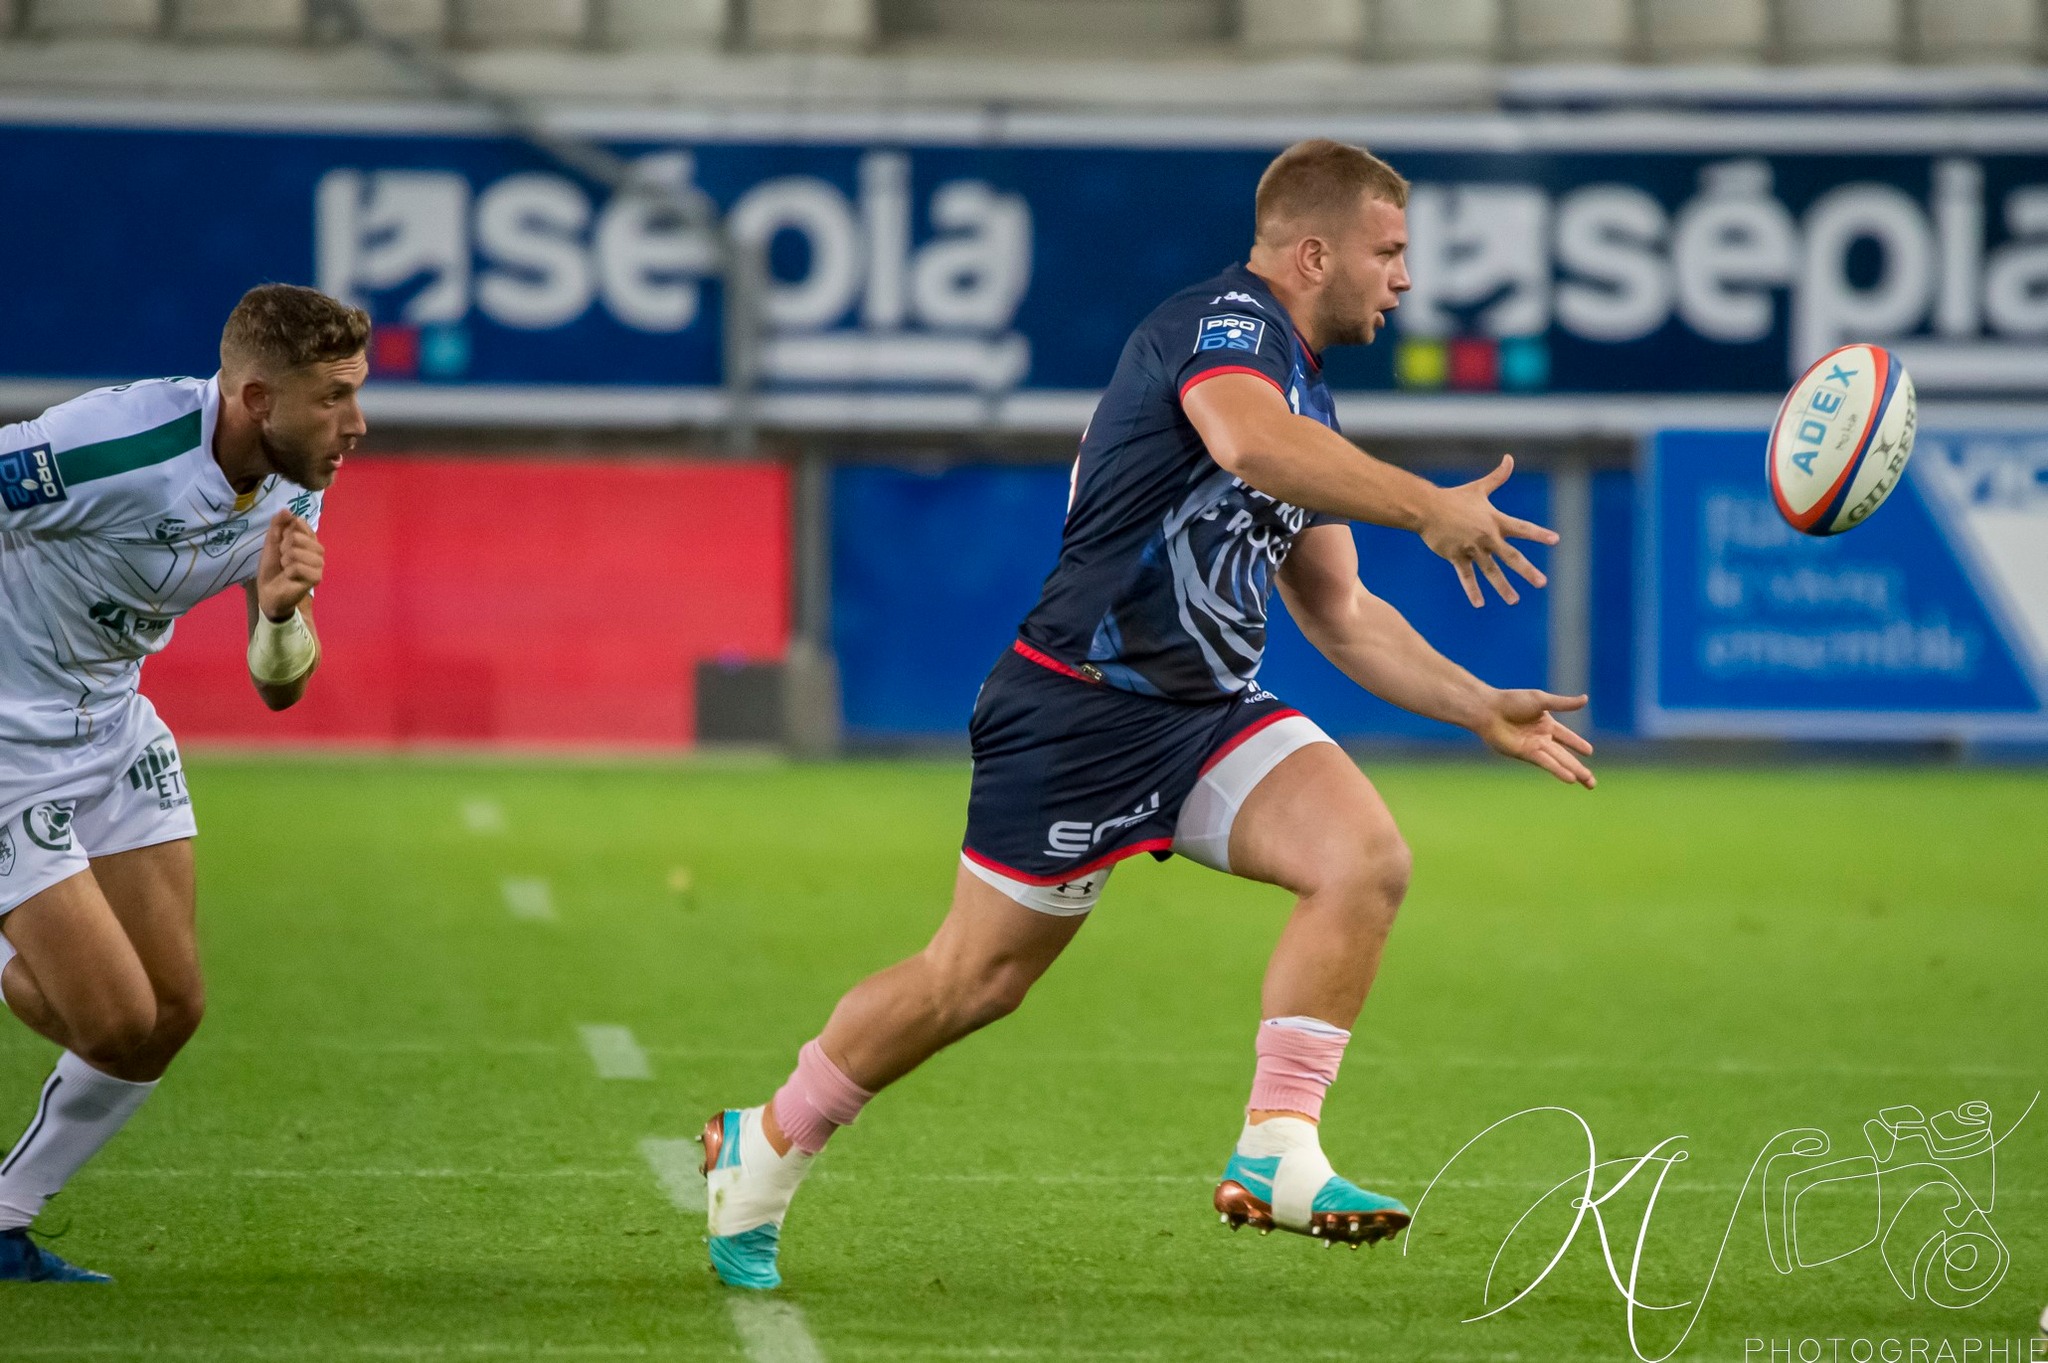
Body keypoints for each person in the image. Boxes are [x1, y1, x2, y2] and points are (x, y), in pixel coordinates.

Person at [699, 139, 1596, 1290]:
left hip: (1203, 715)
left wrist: (1480, 707)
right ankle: (764, 1144)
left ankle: (1277, 1147)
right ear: (1312, 253)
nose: (1403, 280)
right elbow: (1241, 439)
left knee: (1363, 858)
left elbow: (1340, 610)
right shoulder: (1223, 325)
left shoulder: (1304, 390)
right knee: (973, 981)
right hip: (1075, 710)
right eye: (1388, 252)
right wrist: (1425, 505)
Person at [0, 283, 367, 1282]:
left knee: (171, 1009)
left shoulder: (298, 479)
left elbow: (277, 687)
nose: (356, 423)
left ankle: (5, 1218)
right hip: (8, 743)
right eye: (333, 396)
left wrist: (283, 614)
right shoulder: (113, 443)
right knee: (109, 1018)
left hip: (113, 726)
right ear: (257, 398)